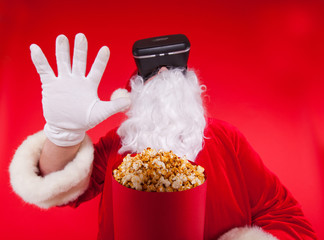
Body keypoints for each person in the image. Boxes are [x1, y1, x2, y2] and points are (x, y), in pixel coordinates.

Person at [9, 33, 317, 240]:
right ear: (134, 93)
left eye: (174, 71)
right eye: (151, 73)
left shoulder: (227, 140)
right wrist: (64, 134)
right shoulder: (118, 145)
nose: (164, 75)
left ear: (194, 88)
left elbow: (284, 214)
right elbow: (57, 185)